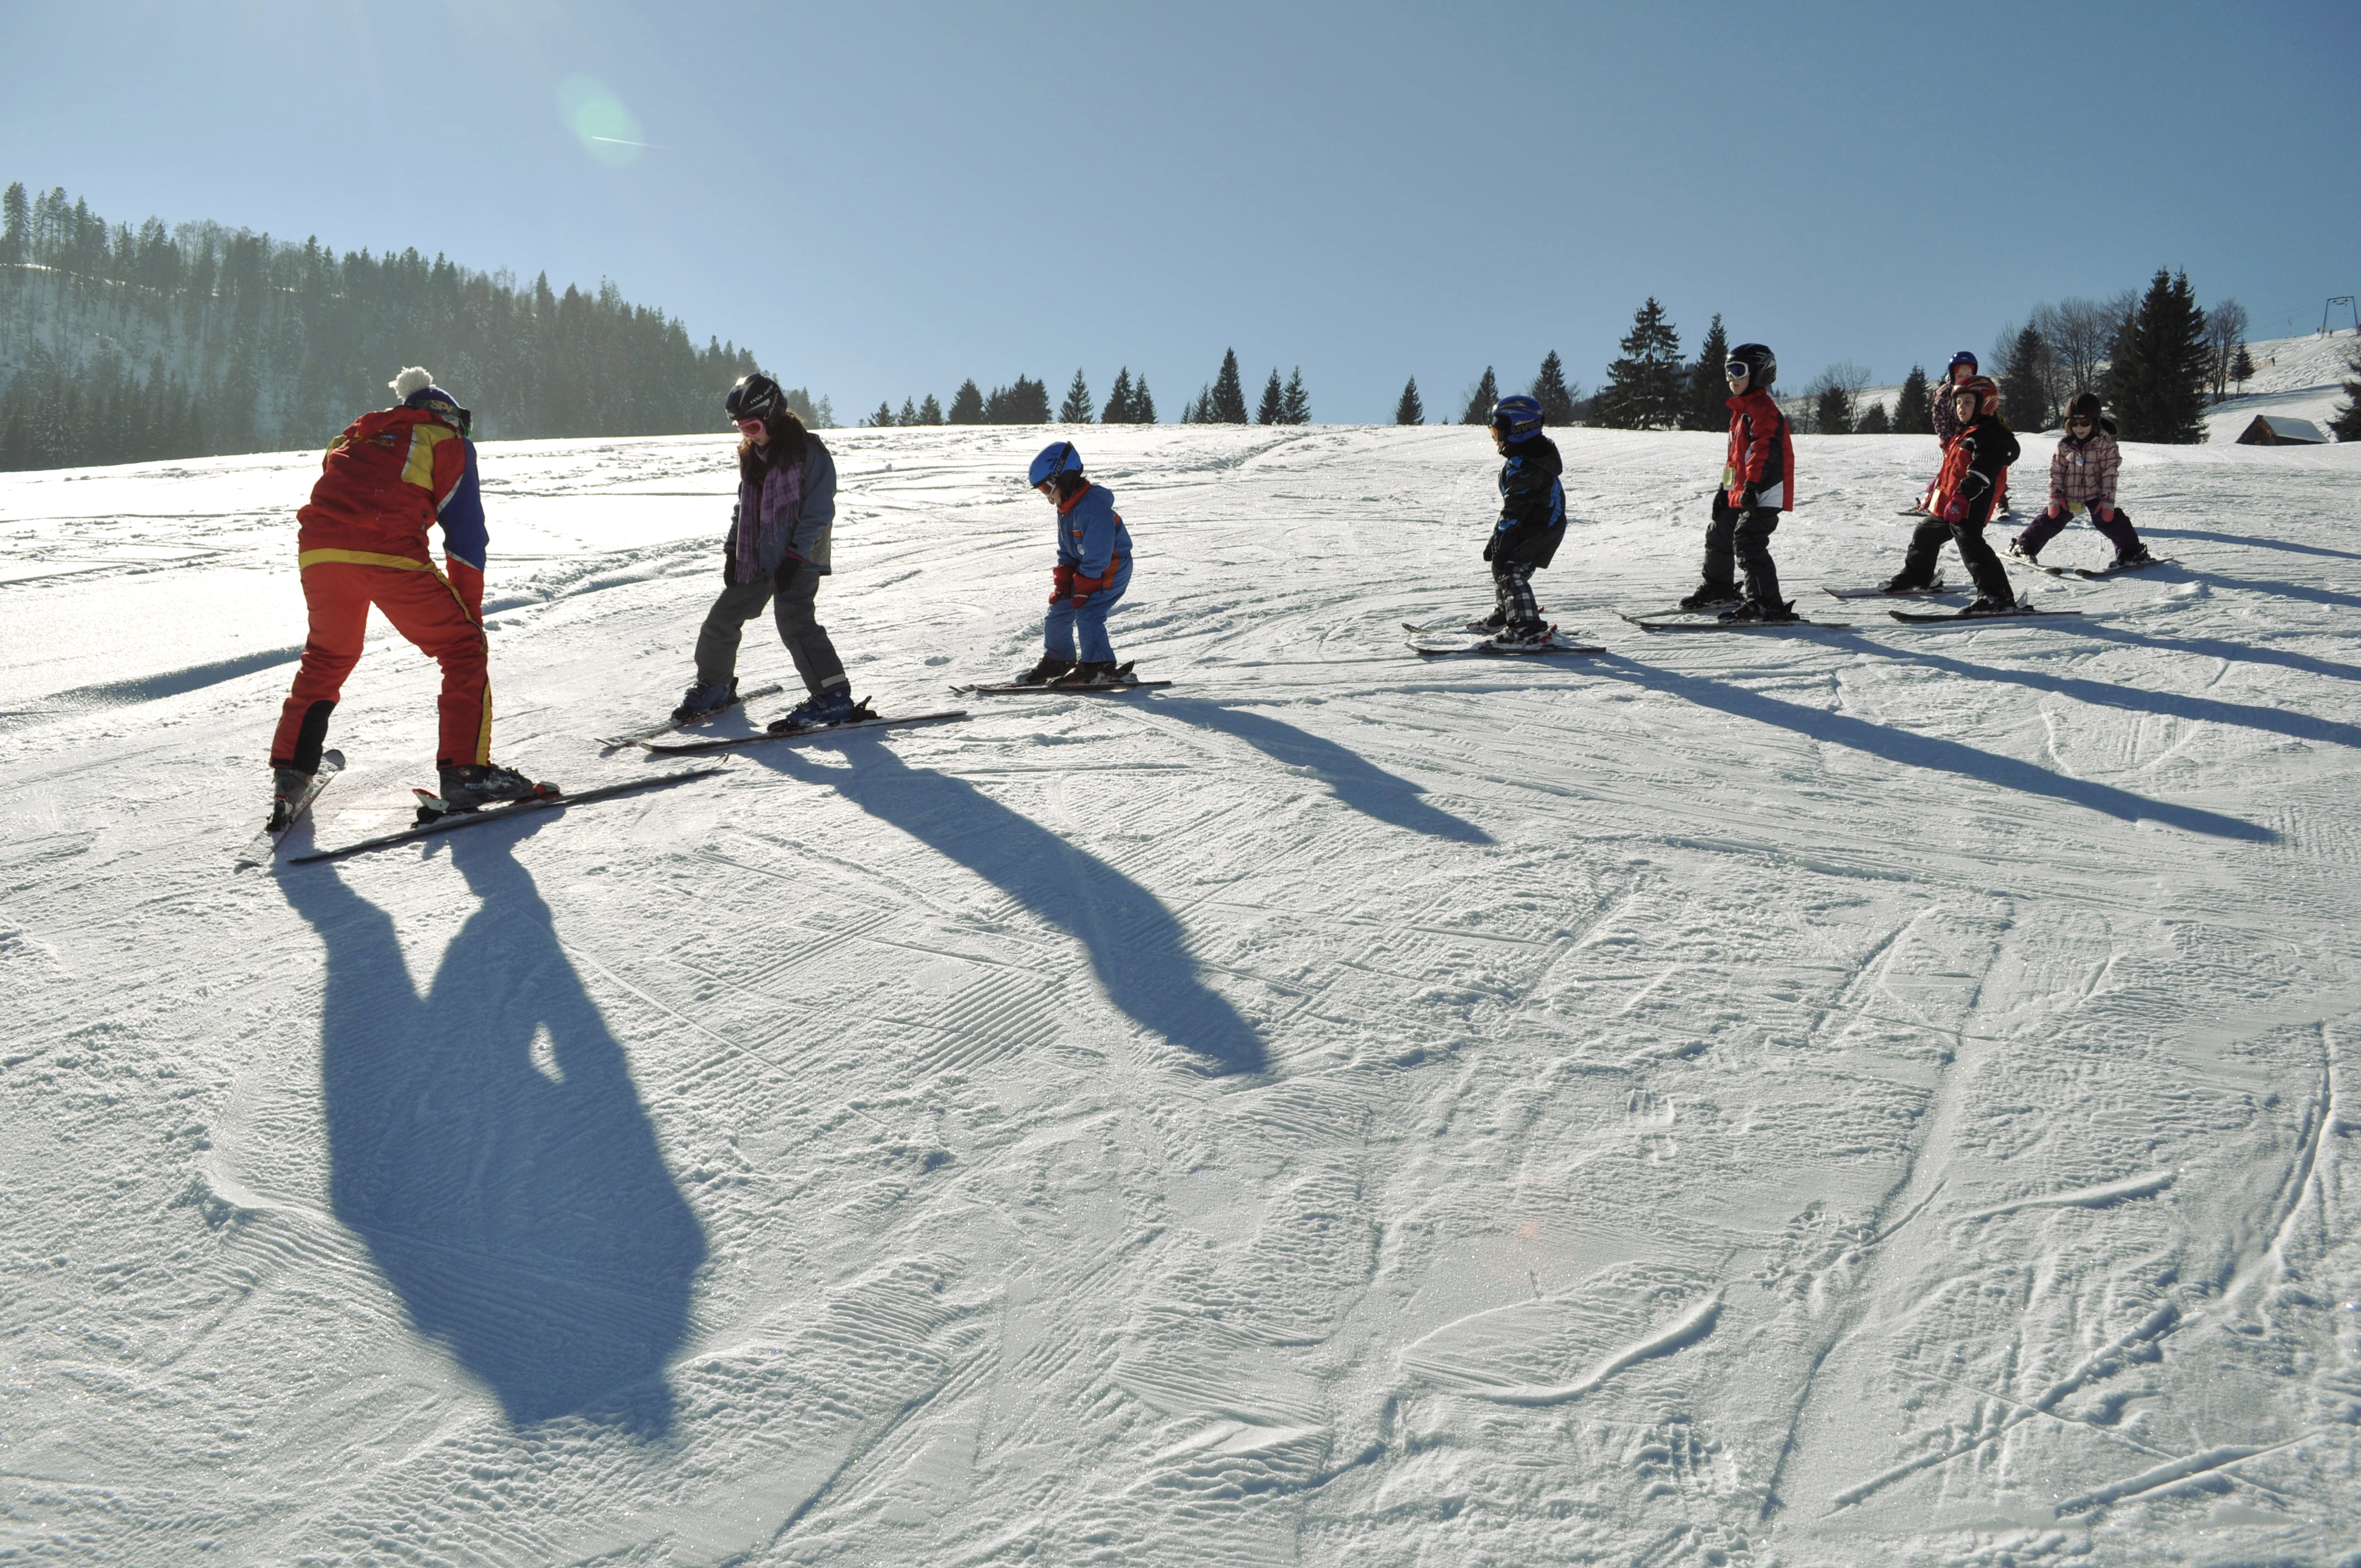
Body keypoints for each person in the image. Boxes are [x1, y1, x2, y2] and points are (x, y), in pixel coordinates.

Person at [269, 368, 540, 827]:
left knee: (328, 656)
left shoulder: (355, 437)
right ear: (449, 415)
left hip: (318, 555)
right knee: (463, 648)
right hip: (387, 551)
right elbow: (466, 535)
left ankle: (292, 773)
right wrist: (468, 614)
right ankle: (467, 773)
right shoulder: (446, 440)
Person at [673, 373, 855, 728]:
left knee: (795, 624)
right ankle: (715, 685)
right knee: (721, 620)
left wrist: (796, 556)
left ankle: (834, 696)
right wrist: (732, 549)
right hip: (756, 557)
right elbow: (744, 507)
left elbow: (819, 511)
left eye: (753, 425)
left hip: (800, 558)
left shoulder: (810, 453)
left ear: (772, 414)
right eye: (740, 428)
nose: (748, 434)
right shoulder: (755, 455)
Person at [1883, 374, 2022, 612]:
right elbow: (1950, 472)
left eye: (1968, 402)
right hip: (1951, 504)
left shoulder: (1991, 435)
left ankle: (1997, 594)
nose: (1961, 408)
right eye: (1958, 402)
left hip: (1972, 502)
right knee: (1925, 533)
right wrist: (1938, 498)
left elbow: (1981, 471)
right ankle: (1919, 576)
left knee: (1971, 543)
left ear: (1986, 403)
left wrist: (1962, 497)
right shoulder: (1968, 432)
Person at [1679, 342, 1797, 622]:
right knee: (1719, 532)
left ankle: (1766, 603)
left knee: (1748, 541)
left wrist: (1753, 488)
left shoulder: (1764, 411)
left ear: (1759, 373)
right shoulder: (1741, 413)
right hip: (1742, 491)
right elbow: (1734, 460)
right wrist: (1725, 490)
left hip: (1764, 492)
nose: (1731, 377)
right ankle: (1718, 588)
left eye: (1738, 370)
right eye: (1728, 371)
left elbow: (1762, 453)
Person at [1014, 441, 1135, 685]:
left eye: (1047, 488)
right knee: (1060, 608)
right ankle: (1059, 659)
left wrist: (1086, 584)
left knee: (1088, 612)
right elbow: (1068, 550)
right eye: (1042, 490)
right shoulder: (1067, 509)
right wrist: (1064, 578)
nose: (1047, 495)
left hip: (1111, 568)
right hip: (1087, 568)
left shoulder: (1092, 509)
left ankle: (1098, 666)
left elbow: (1100, 553)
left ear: (1065, 478)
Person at [2011, 393, 2153, 569]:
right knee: (2052, 517)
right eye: (2074, 423)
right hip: (2071, 497)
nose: (2079, 428)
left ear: (2095, 422)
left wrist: (2108, 501)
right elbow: (2056, 471)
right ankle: (2025, 546)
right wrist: (2055, 496)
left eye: (2085, 423)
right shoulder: (2065, 445)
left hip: (2095, 496)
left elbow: (2110, 474)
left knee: (2108, 519)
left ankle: (2131, 551)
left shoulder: (2106, 445)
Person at [1474, 394, 1565, 648]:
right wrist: (1498, 539)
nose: (1497, 440)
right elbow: (1514, 509)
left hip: (1543, 527)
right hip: (1532, 524)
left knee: (1512, 571)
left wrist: (1504, 538)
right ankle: (1508, 613)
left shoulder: (1527, 466)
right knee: (1501, 563)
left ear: (1519, 431)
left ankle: (1527, 628)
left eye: (1498, 433)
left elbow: (1515, 509)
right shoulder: (1523, 460)